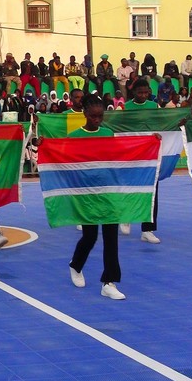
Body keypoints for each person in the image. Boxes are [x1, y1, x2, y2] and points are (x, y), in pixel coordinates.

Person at [67, 93, 126, 300]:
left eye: (100, 116)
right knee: (90, 237)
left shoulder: (108, 134)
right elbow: (65, 161)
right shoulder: (74, 137)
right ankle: (76, 264)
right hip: (86, 195)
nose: (97, 120)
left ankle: (109, 282)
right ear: (84, 113)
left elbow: (117, 157)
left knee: (111, 237)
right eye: (93, 116)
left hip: (107, 193)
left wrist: (151, 142)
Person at [123, 79, 163, 244]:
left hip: (150, 156)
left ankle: (148, 230)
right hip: (131, 156)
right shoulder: (124, 108)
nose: (143, 95)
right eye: (140, 92)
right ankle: (125, 217)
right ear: (133, 92)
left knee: (152, 191)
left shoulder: (154, 107)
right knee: (129, 189)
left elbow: (163, 123)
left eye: (146, 92)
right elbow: (116, 127)